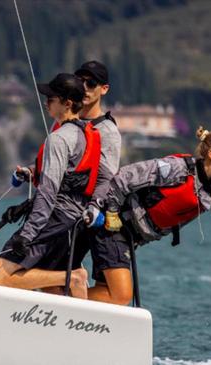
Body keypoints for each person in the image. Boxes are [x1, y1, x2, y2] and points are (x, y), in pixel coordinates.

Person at [82, 126, 211, 305]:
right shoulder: (177, 169)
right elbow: (124, 176)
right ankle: (60, 298)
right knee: (120, 296)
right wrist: (111, 211)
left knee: (106, 292)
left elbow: (166, 225)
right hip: (113, 226)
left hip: (130, 238)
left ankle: (62, 298)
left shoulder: (207, 195)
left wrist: (139, 240)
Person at [0, 73, 96, 298]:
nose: (46, 102)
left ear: (67, 103)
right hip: (72, 221)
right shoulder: (85, 134)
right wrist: (31, 172)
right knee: (51, 290)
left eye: (51, 98)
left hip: (54, 219)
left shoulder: (58, 139)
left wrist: (27, 234)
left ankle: (74, 276)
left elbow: (48, 193)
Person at [69, 61, 124, 300]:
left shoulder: (108, 131)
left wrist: (93, 207)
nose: (84, 87)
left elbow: (108, 178)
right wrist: (31, 171)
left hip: (92, 215)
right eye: (80, 81)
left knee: (117, 292)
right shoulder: (67, 121)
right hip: (65, 208)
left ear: (104, 89)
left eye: (91, 83)